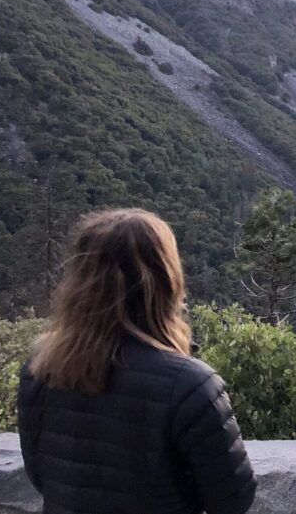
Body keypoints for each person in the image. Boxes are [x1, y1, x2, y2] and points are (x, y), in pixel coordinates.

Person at [17, 209, 256, 514]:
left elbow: (40, 476)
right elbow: (233, 500)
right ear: (166, 280)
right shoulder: (190, 385)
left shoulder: (40, 370)